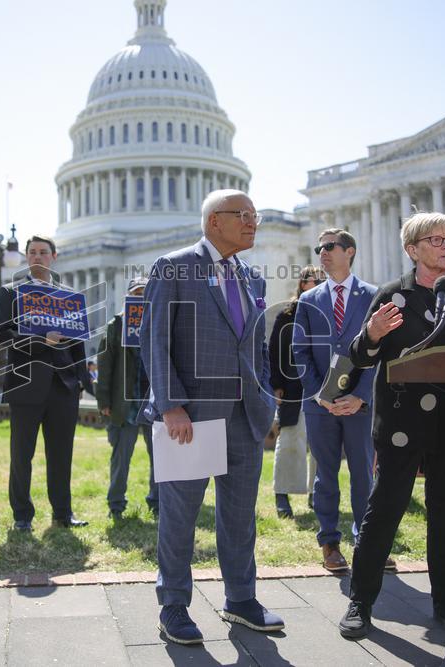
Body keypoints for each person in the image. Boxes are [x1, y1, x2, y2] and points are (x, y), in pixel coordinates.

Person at [338, 212, 445, 639]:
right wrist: (371, 333)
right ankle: (360, 601)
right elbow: (360, 357)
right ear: (413, 249)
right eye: (436, 239)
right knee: (384, 510)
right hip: (401, 424)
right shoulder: (393, 295)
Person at [139, 189, 283, 645]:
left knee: (240, 517)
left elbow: (256, 347)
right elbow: (154, 340)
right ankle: (174, 606)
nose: (252, 223)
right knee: (179, 517)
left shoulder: (253, 278)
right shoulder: (174, 267)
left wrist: (264, 400)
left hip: (245, 417)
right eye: (243, 215)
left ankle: (241, 599)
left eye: (255, 216)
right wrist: (171, 404)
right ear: (212, 221)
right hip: (191, 416)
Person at [293, 229, 394, 573]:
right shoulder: (308, 301)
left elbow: (382, 352)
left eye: (330, 246)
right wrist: (320, 395)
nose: (322, 252)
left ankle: (368, 543)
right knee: (326, 475)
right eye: (319, 247)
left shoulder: (374, 296)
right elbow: (299, 352)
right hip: (320, 407)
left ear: (349, 251)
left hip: (360, 406)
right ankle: (330, 543)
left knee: (364, 475)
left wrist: (361, 395)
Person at [0, 234, 93, 532]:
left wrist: (83, 380)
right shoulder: (12, 293)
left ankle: (63, 512)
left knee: (62, 455)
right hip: (26, 382)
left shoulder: (70, 297)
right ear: (26, 257)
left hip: (64, 385)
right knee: (22, 455)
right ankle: (22, 515)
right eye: (32, 252)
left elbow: (79, 344)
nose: (38, 256)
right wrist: (38, 339)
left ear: (54, 257)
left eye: (43, 252)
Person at [96, 277, 157, 520]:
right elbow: (105, 365)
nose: (141, 298)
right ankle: (116, 504)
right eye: (137, 293)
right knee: (121, 458)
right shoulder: (116, 325)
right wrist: (104, 402)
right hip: (126, 403)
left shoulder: (158, 323)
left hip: (153, 402)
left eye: (145, 293)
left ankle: (157, 501)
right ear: (128, 297)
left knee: (160, 458)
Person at [268, 265, 323, 519]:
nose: (313, 285)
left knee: (321, 443)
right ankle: (282, 494)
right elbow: (275, 351)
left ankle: (317, 492)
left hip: (322, 387)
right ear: (301, 284)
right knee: (290, 439)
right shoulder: (287, 315)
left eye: (318, 281)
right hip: (292, 388)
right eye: (309, 281)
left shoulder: (328, 313)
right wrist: (277, 384)